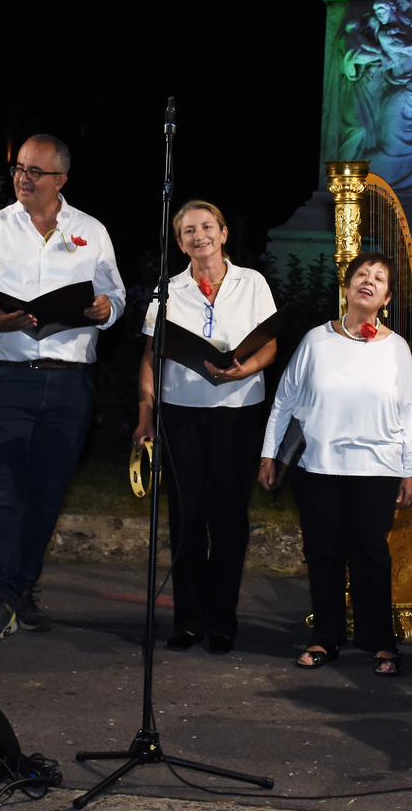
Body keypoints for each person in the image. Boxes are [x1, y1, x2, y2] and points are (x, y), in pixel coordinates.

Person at [0, 134, 125, 642]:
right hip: (8, 377)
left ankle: (23, 590)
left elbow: (113, 292)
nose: (23, 178)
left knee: (47, 493)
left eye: (35, 171)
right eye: (19, 169)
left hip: (70, 381)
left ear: (61, 180)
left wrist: (105, 309)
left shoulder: (90, 230)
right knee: (5, 491)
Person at [259, 253, 412, 676]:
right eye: (362, 275)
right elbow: (284, 401)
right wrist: (269, 453)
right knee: (323, 554)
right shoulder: (316, 341)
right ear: (347, 288)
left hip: (378, 469)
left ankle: (380, 642)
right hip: (319, 467)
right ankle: (324, 637)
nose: (369, 281)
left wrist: (411, 469)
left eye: (379, 278)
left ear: (385, 298)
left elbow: (409, 411)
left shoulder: (397, 348)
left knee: (371, 554)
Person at [132, 200, 277, 655]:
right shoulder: (168, 290)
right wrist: (144, 415)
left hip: (237, 410)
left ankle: (223, 620)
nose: (200, 236)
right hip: (182, 413)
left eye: (207, 227)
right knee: (187, 515)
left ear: (224, 232)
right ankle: (190, 620)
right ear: (179, 242)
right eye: (189, 230)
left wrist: (245, 368)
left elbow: (270, 343)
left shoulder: (251, 282)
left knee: (230, 518)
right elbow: (151, 358)